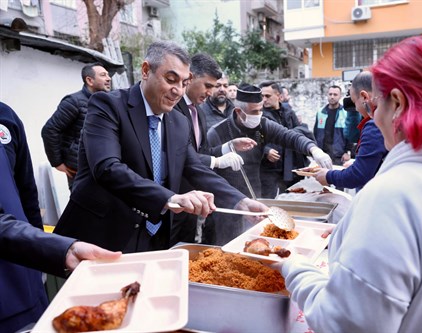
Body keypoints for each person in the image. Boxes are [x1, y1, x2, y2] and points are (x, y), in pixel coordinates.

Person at [276, 36, 422, 332]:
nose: (374, 118)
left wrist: (296, 269)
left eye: (376, 106)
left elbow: (347, 323)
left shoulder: (395, 196)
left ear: (398, 103)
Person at [53, 41, 267, 253]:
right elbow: (107, 168)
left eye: (184, 83)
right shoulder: (108, 106)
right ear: (146, 70)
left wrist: (239, 201)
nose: (178, 91)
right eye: (171, 80)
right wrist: (169, 198)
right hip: (103, 234)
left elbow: (194, 167)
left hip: (155, 235)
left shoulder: (178, 121)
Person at [0, 101, 120, 332]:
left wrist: (41, 255)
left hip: (23, 271)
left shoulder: (6, 117)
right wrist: (61, 249)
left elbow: (26, 192)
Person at [206, 83, 333, 244]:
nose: (259, 115)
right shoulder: (217, 132)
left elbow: (290, 137)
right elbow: (204, 166)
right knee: (227, 244)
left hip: (255, 194)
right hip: (226, 201)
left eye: (261, 110)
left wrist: (314, 150)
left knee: (255, 242)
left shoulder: (262, 124)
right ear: (238, 111)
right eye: (254, 112)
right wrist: (220, 155)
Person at [172, 53, 255, 245]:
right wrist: (216, 162)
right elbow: (182, 156)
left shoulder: (197, 112)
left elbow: (203, 151)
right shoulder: (172, 109)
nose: (210, 92)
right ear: (190, 77)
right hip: (174, 195)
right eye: (208, 86)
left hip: (194, 199)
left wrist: (227, 148)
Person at [41, 62, 111, 190]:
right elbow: (50, 130)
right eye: (103, 75)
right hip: (79, 170)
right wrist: (57, 162)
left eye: (107, 74)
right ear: (89, 80)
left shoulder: (108, 101)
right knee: (84, 207)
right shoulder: (73, 102)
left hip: (102, 167)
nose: (108, 78)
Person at [314, 72, 388, 192]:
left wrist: (328, 176)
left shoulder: (374, 125)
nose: (356, 109)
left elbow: (359, 174)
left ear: (364, 97)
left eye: (354, 102)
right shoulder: (388, 120)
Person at [259, 81, 310, 198]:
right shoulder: (258, 114)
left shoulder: (289, 112)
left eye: (267, 96)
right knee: (268, 201)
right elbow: (253, 138)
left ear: (279, 96)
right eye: (261, 96)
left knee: (292, 199)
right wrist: (266, 150)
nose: (264, 99)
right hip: (269, 168)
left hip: (290, 165)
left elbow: (299, 132)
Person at [313, 85, 350, 166]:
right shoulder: (320, 112)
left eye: (335, 94)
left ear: (340, 96)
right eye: (330, 94)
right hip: (323, 155)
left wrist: (347, 152)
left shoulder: (346, 113)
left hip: (339, 156)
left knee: (338, 178)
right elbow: (315, 134)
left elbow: (350, 135)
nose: (332, 97)